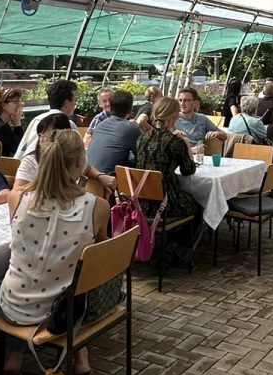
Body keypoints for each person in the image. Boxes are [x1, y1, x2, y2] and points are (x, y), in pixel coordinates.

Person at [0, 129, 109, 375]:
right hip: (64, 313)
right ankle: (79, 356)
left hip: (13, 306)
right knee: (79, 281)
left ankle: (13, 356)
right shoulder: (96, 206)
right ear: (80, 163)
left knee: (16, 275)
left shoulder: (18, 198)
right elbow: (100, 259)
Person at [136, 96, 199, 261]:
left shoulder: (142, 138)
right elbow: (188, 170)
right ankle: (179, 246)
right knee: (198, 204)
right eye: (177, 113)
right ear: (172, 116)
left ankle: (169, 242)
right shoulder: (174, 142)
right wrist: (185, 144)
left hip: (141, 201)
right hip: (165, 202)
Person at [84, 89, 140, 178]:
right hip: (108, 181)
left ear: (111, 107)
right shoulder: (132, 128)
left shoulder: (101, 124)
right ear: (130, 110)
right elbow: (141, 156)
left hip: (89, 177)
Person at [17, 79, 78, 158]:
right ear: (66, 103)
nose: (75, 104)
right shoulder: (68, 125)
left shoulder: (36, 119)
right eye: (75, 100)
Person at [173, 87, 225, 152]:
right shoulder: (173, 119)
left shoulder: (202, 118)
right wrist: (191, 150)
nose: (182, 103)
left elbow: (224, 135)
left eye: (186, 100)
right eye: (180, 100)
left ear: (195, 103)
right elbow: (168, 146)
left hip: (200, 157)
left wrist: (216, 133)